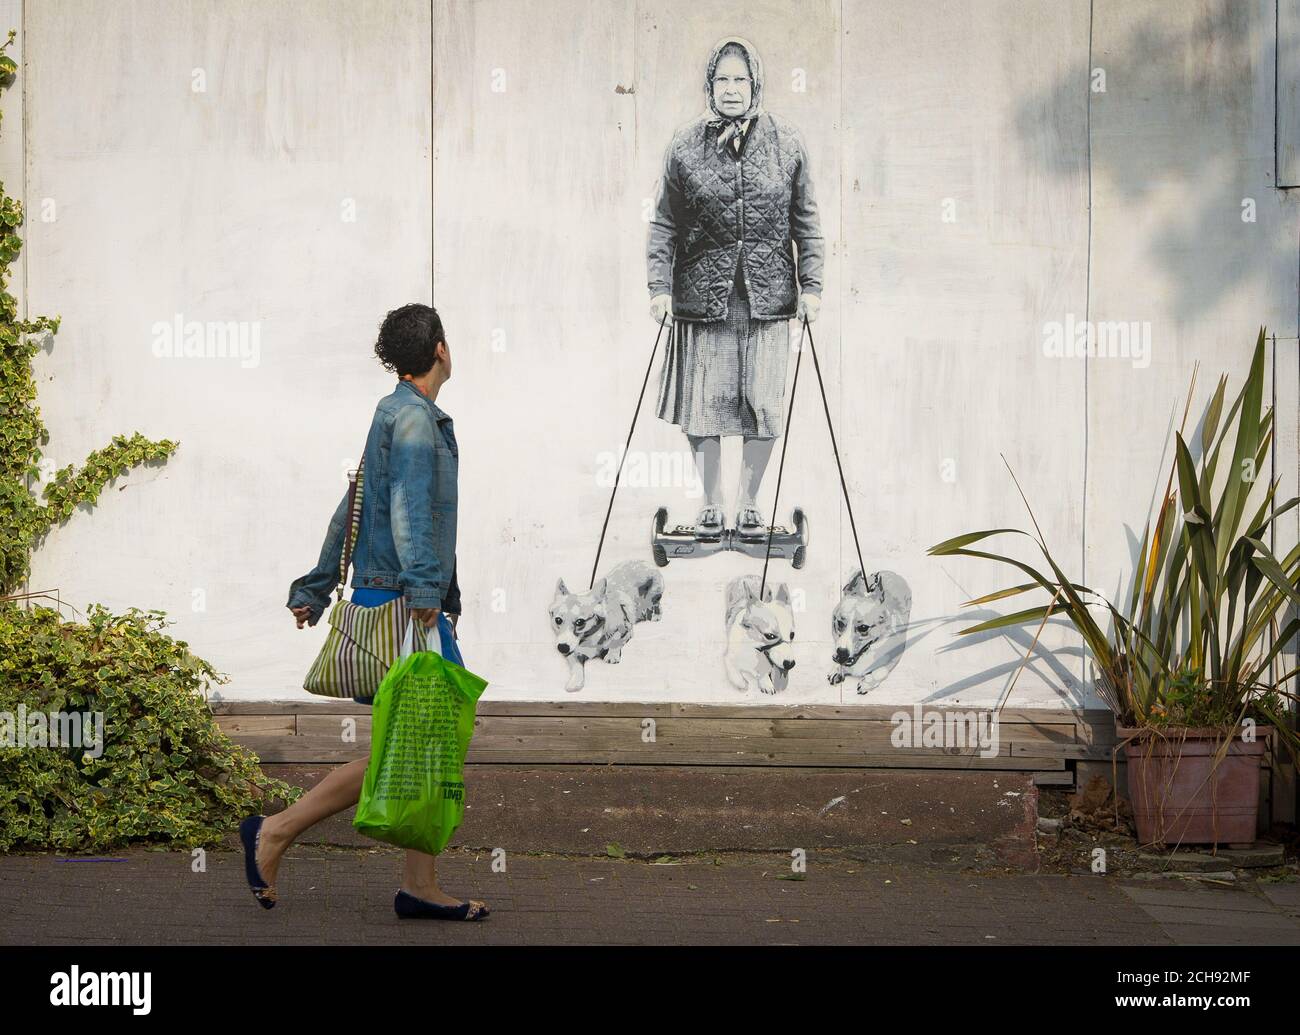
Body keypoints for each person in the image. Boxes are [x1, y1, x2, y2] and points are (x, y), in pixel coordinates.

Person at [239, 303, 488, 921]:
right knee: (420, 743)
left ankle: (416, 885)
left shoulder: (396, 414)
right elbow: (403, 507)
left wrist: (318, 584)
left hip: (399, 594)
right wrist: (427, 592)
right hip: (406, 603)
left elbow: (352, 503)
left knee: (421, 742)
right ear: (439, 350)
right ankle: (276, 831)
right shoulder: (412, 420)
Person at [647, 35, 824, 540]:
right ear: (710, 85)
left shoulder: (787, 143)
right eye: (721, 79)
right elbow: (664, 224)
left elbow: (806, 222)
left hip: (768, 300)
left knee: (762, 405)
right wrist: (659, 288)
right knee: (704, 403)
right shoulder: (684, 146)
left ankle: (748, 503)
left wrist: (811, 288)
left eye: (739, 79)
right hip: (703, 298)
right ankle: (710, 504)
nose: (730, 89)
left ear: (755, 85)